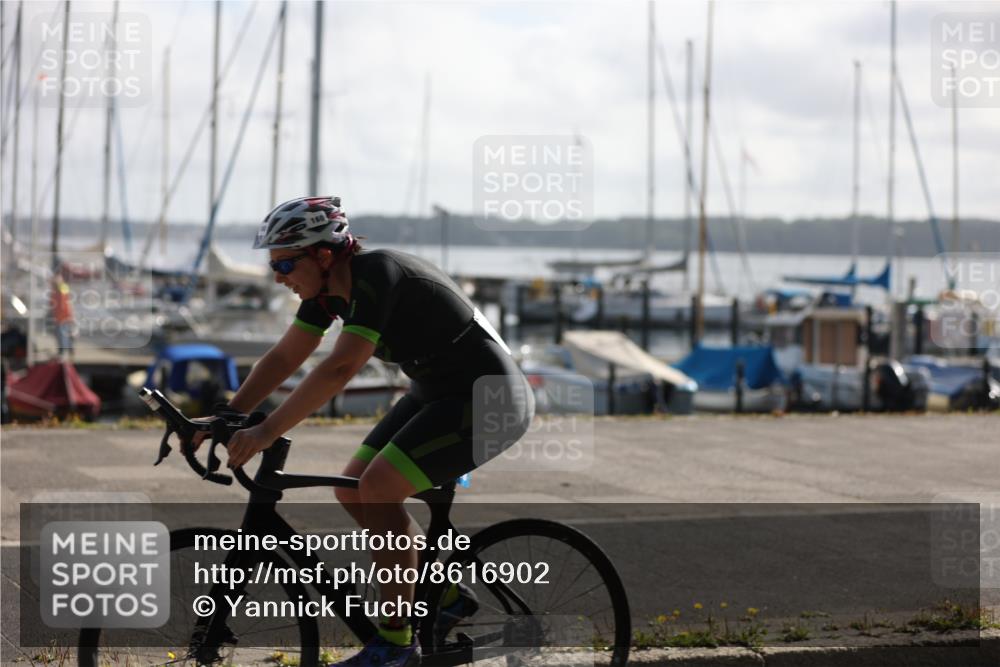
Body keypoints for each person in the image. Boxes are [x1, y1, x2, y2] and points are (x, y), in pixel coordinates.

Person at [193, 196, 534, 666]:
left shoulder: (375, 274)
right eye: (274, 265)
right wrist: (228, 415)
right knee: (353, 489)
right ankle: (448, 597)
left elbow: (340, 368)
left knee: (377, 488)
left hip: (490, 398)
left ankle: (396, 645)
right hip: (437, 391)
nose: (277, 276)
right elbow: (284, 356)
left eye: (286, 263)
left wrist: (268, 431)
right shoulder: (324, 293)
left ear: (324, 254)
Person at [49, 272, 75, 358]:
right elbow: (52, 304)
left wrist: (58, 282)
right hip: (58, 317)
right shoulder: (54, 291)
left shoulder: (62, 288)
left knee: (63, 335)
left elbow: (64, 296)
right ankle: (64, 350)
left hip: (64, 317)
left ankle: (65, 351)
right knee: (59, 335)